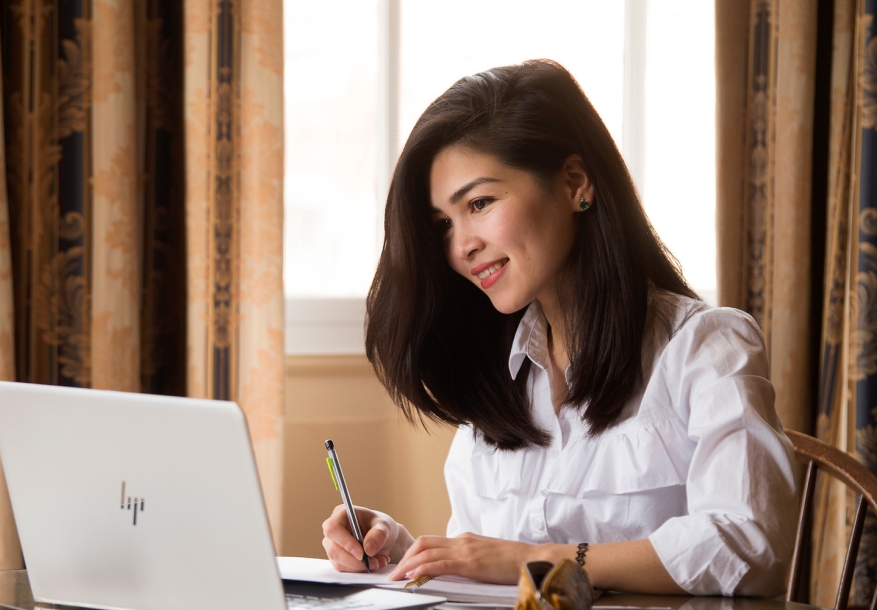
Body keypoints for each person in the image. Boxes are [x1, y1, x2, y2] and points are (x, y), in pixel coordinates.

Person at [320, 59, 797, 597]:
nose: (460, 246)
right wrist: (405, 554)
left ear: (575, 183)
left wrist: (537, 560)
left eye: (479, 203)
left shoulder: (706, 348)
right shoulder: (497, 381)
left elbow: (748, 545)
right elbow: (493, 571)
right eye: (443, 225)